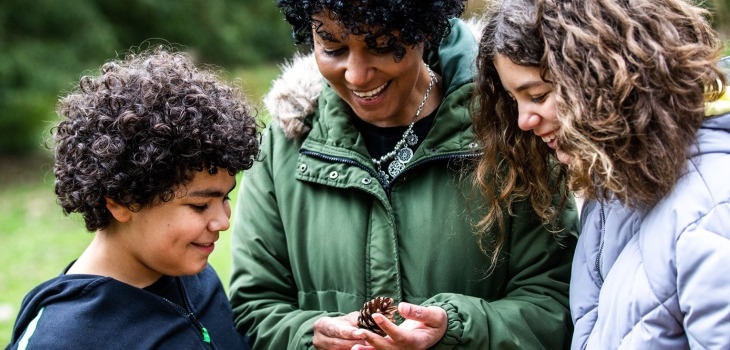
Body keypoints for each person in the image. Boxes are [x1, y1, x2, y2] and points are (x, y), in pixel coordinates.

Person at [228, 1, 579, 349]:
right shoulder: (285, 145)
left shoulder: (510, 132)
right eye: (333, 48)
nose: (356, 75)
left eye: (382, 46)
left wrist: (456, 330)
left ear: (423, 31)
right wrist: (310, 336)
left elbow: (553, 305)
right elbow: (255, 307)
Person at [474, 0, 730, 348]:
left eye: (538, 95)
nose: (524, 120)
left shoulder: (711, 210)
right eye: (514, 99)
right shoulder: (614, 192)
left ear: (611, 77)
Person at [5, 47, 260, 349]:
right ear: (122, 201)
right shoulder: (62, 337)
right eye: (200, 205)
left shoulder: (195, 276)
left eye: (225, 198)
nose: (222, 222)